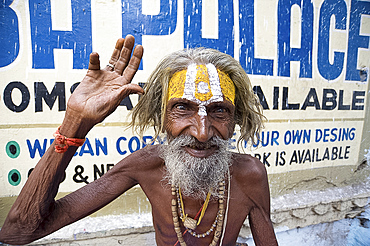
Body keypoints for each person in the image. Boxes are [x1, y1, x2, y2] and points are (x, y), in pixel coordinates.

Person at [0, 35, 278, 246]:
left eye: (219, 111)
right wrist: (75, 122)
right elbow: (18, 232)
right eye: (182, 108)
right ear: (162, 115)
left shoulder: (249, 175)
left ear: (235, 120)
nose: (202, 133)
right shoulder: (147, 165)